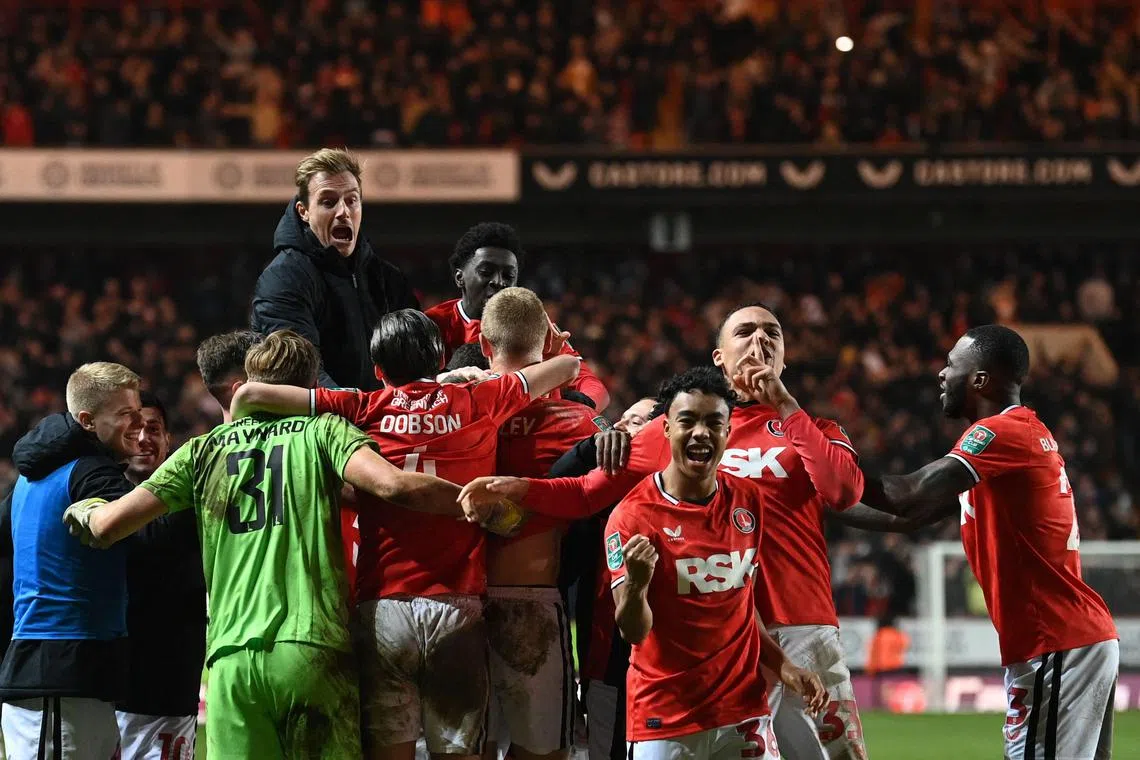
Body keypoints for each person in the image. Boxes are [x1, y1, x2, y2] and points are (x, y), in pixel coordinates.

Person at [460, 303, 870, 760]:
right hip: (717, 644)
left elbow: (843, 492)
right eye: (746, 331)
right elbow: (583, 494)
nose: (760, 340)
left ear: (785, 356)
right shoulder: (674, 429)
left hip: (802, 625)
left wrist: (785, 403)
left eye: (772, 332)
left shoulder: (814, 428)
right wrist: (520, 488)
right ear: (719, 356)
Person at [62, 330, 471, 760]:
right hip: (310, 651)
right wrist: (480, 500)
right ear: (310, 389)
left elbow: (107, 526)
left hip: (230, 664)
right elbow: (394, 486)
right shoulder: (323, 431)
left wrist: (87, 508)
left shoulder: (201, 451)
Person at [229, 296, 580, 760]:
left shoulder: (363, 405)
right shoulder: (478, 399)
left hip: (382, 611)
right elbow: (566, 368)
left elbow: (251, 395)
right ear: (437, 358)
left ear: (377, 368)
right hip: (456, 606)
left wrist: (236, 421)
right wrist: (471, 376)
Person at [853, 325, 1119, 759]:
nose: (941, 374)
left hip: (1056, 642)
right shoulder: (1003, 451)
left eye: (951, 365)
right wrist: (816, 505)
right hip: (1068, 640)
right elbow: (908, 516)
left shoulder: (1002, 433)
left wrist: (825, 465)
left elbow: (908, 492)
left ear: (979, 380)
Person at [605, 367, 827, 760]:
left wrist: (784, 665)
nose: (701, 433)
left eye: (714, 423)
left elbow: (742, 606)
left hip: (743, 712)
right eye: (688, 421)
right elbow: (633, 631)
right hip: (665, 716)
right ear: (667, 429)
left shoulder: (748, 500)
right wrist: (638, 585)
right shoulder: (630, 517)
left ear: (727, 432)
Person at [482, 302, 615, 760]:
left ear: (483, 344)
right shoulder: (580, 423)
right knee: (543, 752)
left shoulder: (463, 411)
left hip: (457, 602)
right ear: (550, 346)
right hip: (534, 599)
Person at [0, 362, 144, 760]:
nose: (140, 424)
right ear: (87, 421)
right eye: (126, 415)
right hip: (60, 672)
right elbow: (153, 535)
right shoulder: (91, 474)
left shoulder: (27, 479)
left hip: (58, 670)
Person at [251, 147, 419, 390]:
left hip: (381, 420)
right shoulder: (282, 279)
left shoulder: (387, 277)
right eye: (328, 202)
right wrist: (360, 411)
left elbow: (417, 361)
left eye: (352, 200)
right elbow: (298, 373)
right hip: (319, 424)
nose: (343, 212)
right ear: (304, 212)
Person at [424, 222, 610, 410]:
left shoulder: (534, 323)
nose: (498, 282)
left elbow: (593, 387)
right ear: (459, 277)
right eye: (486, 272)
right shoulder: (429, 325)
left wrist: (580, 406)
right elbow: (403, 389)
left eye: (508, 275)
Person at [116, 392, 205, 760]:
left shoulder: (193, 499)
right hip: (110, 688)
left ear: (168, 439)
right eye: (133, 429)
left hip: (172, 688)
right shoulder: (97, 493)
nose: (143, 438)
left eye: (153, 429)